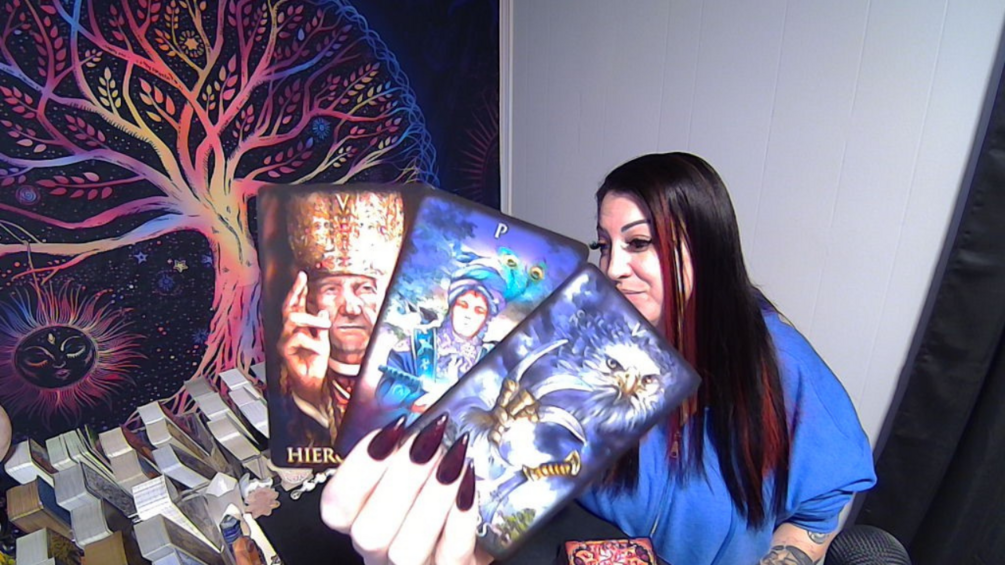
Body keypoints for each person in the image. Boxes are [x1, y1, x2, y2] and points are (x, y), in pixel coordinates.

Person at [318, 153, 876, 565]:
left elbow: (822, 506)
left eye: (639, 243)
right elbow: (520, 476)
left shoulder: (777, 359)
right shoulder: (586, 335)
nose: (613, 268)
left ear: (704, 246)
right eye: (605, 246)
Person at [275, 190, 404, 452]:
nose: (351, 308)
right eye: (331, 290)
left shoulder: (413, 369)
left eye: (365, 288)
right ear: (309, 299)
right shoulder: (287, 384)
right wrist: (308, 393)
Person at [375, 268, 504, 417]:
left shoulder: (491, 357)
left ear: (486, 319)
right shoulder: (416, 343)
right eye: (463, 305)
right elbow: (384, 393)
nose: (468, 315)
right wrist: (413, 400)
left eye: (479, 310)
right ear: (452, 308)